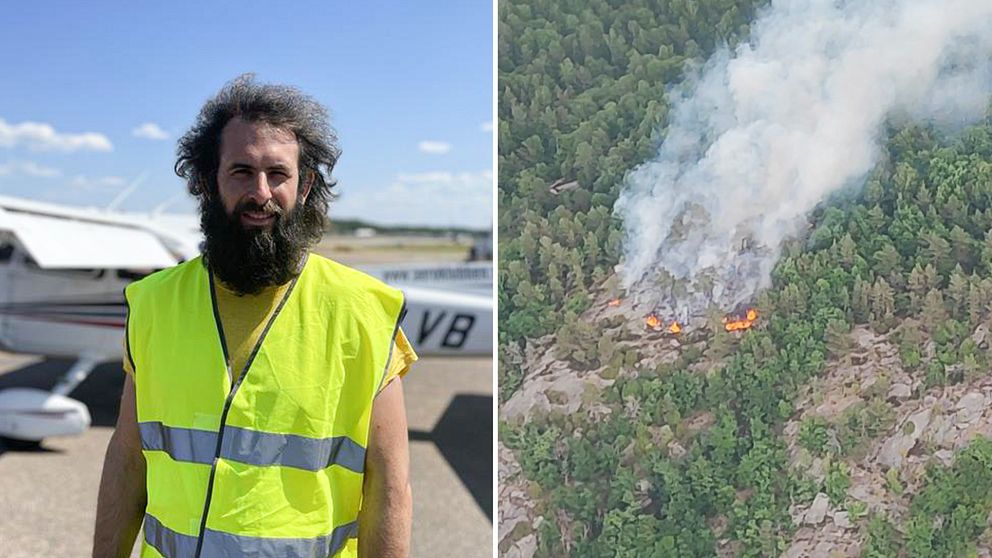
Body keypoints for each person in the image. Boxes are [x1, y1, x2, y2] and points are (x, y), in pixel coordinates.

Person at [92, 74, 416, 558]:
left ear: (305, 185)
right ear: (206, 180)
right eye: (241, 171)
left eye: (278, 174)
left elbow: (389, 487)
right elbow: (127, 460)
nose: (261, 192)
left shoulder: (364, 313)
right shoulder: (153, 304)